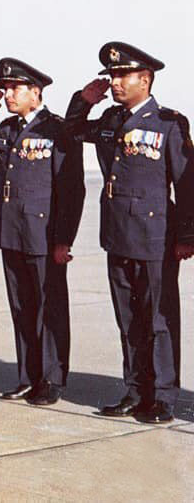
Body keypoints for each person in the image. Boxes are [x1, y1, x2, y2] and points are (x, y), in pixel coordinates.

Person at [64, 42, 194, 424]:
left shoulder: (168, 123)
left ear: (145, 79)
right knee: (128, 319)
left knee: (158, 321)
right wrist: (83, 101)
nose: (115, 82)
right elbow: (71, 132)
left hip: (155, 237)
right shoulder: (109, 119)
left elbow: (187, 184)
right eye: (112, 76)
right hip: (118, 234)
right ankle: (136, 392)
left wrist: (187, 235)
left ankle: (164, 398)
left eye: (123, 75)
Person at [0, 58, 85, 405]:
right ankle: (27, 377)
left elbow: (71, 189)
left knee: (50, 309)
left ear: (35, 92)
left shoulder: (57, 130)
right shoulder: (6, 128)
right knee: (22, 308)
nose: (7, 95)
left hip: (44, 234)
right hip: (12, 231)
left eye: (14, 88)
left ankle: (52, 379)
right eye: (4, 89)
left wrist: (64, 239)